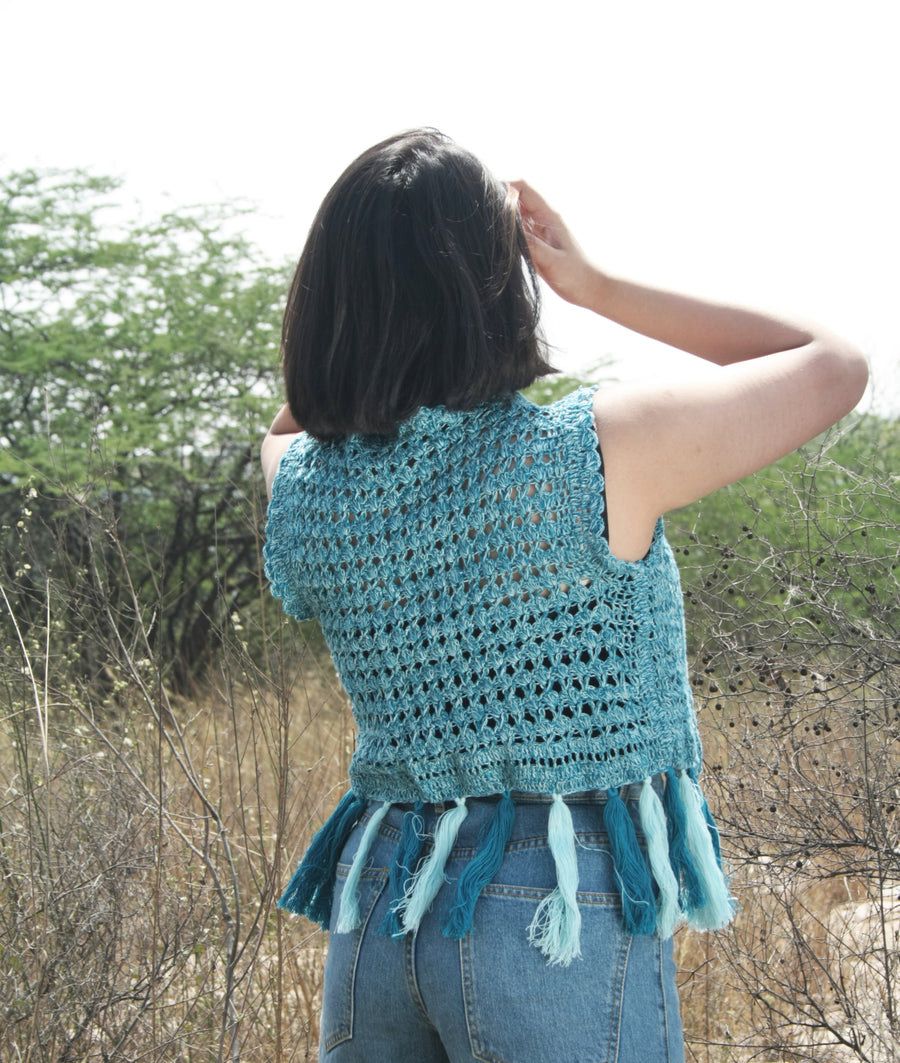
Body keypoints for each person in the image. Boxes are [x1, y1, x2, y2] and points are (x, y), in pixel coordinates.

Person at [261, 129, 868, 1063]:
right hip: (550, 906)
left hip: (378, 897)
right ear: (496, 287)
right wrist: (592, 283)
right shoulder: (591, 451)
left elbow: (292, 420)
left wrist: (354, 343)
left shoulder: (303, 487)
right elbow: (833, 363)